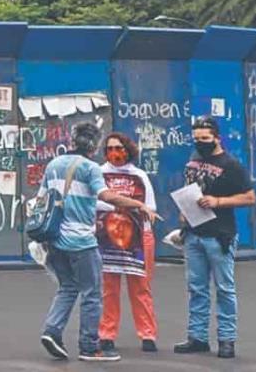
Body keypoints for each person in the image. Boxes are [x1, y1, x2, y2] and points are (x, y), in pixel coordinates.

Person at [37, 122, 158, 363]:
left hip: (55, 239)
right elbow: (106, 196)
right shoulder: (91, 168)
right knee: (93, 293)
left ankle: (52, 331)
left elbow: (41, 199)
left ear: (72, 141)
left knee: (68, 286)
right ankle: (90, 347)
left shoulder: (53, 164)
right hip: (81, 240)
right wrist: (137, 204)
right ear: (94, 147)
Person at [173, 116, 256, 360]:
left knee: (224, 289)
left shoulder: (231, 165)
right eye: (197, 139)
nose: (200, 143)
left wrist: (219, 201)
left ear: (217, 138)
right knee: (196, 288)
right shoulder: (193, 161)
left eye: (205, 139)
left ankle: (226, 339)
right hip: (194, 233)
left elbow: (249, 197)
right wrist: (183, 212)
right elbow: (190, 190)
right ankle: (197, 336)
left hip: (219, 234)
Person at [96, 132, 158, 354]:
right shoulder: (98, 174)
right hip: (106, 239)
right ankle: (106, 334)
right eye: (110, 147)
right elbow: (95, 203)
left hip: (139, 239)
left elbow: (150, 207)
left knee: (141, 287)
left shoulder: (139, 175)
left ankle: (148, 334)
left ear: (128, 149)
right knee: (109, 288)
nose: (115, 152)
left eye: (119, 147)